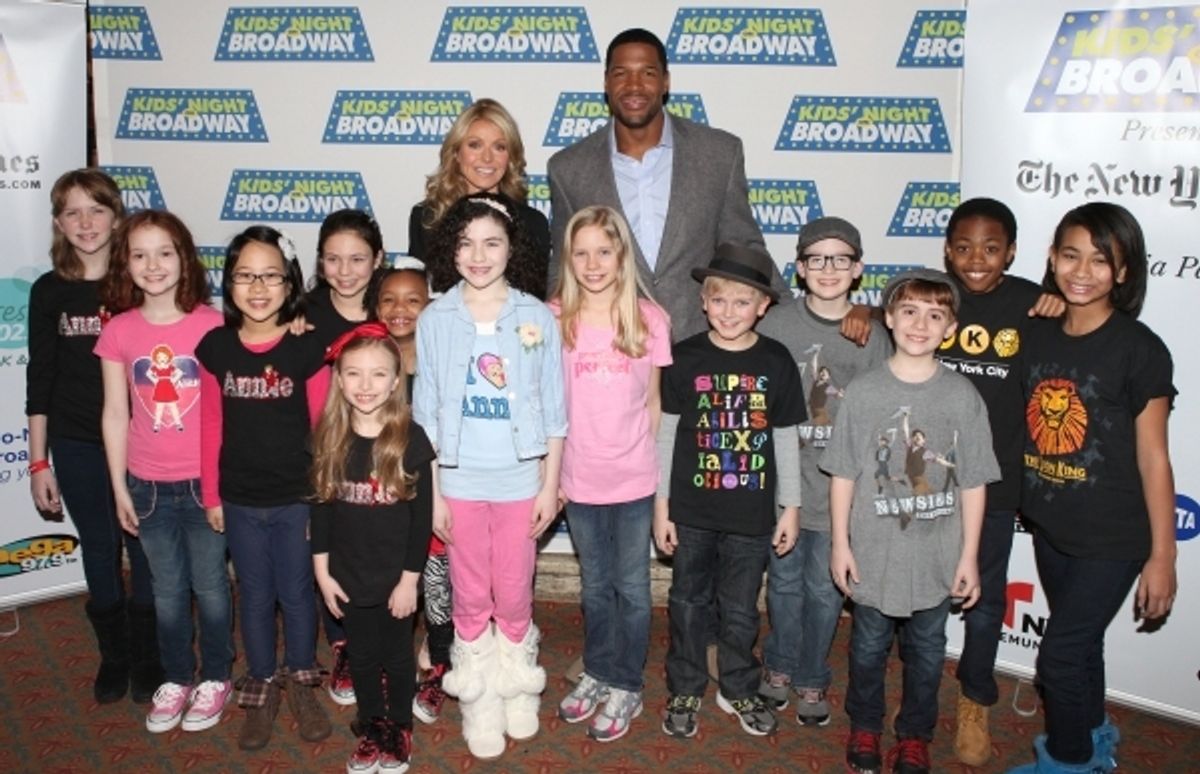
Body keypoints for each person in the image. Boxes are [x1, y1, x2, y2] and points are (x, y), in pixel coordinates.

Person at [1009, 203, 1176, 774]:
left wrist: (1162, 556)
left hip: (1114, 535)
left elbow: (1154, 458)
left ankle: (1069, 761)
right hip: (1053, 529)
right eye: (1071, 254)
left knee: (1056, 658)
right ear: (1052, 259)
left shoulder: (1140, 348)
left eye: (1102, 260)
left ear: (1124, 271)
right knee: (1082, 649)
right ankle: (1096, 738)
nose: (1083, 271)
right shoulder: (1035, 331)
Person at [822, 269, 1000, 774]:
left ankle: (915, 733)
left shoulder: (963, 396)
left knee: (926, 652)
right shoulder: (863, 391)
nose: (920, 324)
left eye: (934, 315)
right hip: (874, 554)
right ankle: (865, 724)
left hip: (937, 556)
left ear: (950, 327)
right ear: (888, 319)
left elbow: (973, 481)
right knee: (868, 647)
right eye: (909, 311)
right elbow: (843, 474)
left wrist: (968, 556)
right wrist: (840, 543)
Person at [412, 192, 566, 760]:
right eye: (465, 243)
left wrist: (550, 485)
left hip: (521, 480)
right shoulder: (436, 318)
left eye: (492, 243)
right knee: (471, 595)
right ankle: (478, 700)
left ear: (511, 248)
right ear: (449, 250)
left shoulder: (533, 315)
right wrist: (433, 497)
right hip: (458, 481)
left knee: (516, 591)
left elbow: (554, 407)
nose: (478, 255)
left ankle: (517, 687)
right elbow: (424, 415)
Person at [654, 243, 805, 739]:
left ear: (763, 306)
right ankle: (685, 685)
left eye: (743, 303)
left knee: (741, 609)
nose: (729, 312)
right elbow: (667, 434)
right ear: (704, 301)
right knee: (688, 602)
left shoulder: (777, 360)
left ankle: (738, 685)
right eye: (720, 300)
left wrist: (791, 507)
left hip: (751, 516)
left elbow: (784, 437)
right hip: (692, 512)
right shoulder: (685, 357)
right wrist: (662, 505)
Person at [933, 197, 1064, 766]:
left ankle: (974, 698)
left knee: (983, 599)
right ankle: (917, 691)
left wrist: (1060, 303)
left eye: (990, 248)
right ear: (947, 250)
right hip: (922, 478)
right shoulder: (927, 297)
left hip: (993, 482)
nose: (976, 259)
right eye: (963, 247)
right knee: (919, 594)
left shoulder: (1036, 307)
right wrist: (860, 315)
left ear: (1012, 251)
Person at [548, 28, 785, 342]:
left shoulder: (719, 154)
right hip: (612, 353)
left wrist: (804, 319)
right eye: (621, 73)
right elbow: (563, 267)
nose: (634, 85)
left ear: (665, 81)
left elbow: (744, 246)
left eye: (647, 73)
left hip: (702, 346)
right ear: (606, 82)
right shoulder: (569, 168)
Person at [25, 169, 161, 705]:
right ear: (58, 222)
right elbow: (40, 378)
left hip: (141, 440)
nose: (86, 223)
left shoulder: (137, 284)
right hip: (77, 441)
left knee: (146, 547)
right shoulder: (48, 290)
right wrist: (39, 463)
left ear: (116, 214)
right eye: (72, 212)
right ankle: (116, 654)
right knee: (100, 547)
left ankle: (149, 654)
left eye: (96, 209)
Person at [95, 209, 233, 734]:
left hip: (205, 485)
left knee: (212, 585)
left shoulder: (214, 324)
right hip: (146, 485)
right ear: (124, 263)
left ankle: (216, 674)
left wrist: (223, 484)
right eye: (139, 254)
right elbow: (115, 412)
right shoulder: (119, 332)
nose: (153, 265)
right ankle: (177, 676)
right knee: (166, 590)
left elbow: (228, 411)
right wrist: (119, 486)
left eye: (165, 252)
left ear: (185, 258)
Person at [195, 226, 332, 751]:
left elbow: (322, 426)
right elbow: (211, 424)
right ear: (228, 283)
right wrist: (211, 495)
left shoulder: (306, 346)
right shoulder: (216, 347)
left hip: (297, 499)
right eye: (245, 275)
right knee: (253, 596)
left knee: (297, 595)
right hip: (239, 499)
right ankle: (261, 685)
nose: (258, 287)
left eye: (271, 275)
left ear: (289, 282)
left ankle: (300, 681)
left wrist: (322, 499)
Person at [754, 217, 891, 727]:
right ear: (799, 267)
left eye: (839, 259)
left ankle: (813, 675)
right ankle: (781, 664)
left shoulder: (873, 335)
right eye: (816, 259)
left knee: (824, 588)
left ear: (857, 269)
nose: (827, 269)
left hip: (841, 494)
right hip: (784, 489)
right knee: (784, 584)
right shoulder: (776, 326)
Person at [551, 206, 672, 742]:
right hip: (578, 478)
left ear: (622, 255)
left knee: (633, 588)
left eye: (604, 250)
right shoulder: (553, 319)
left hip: (634, 481)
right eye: (581, 252)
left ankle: (627, 683)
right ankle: (599, 671)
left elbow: (653, 405)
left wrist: (659, 484)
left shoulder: (649, 319)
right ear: (568, 259)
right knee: (595, 587)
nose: (593, 263)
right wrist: (548, 479)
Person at [311, 322, 435, 774]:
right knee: (361, 657)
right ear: (339, 379)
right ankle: (373, 726)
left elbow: (421, 522)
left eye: (378, 374)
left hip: (396, 578)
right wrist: (322, 574)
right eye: (354, 374)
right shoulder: (328, 438)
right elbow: (320, 511)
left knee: (398, 657)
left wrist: (409, 581)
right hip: (348, 577)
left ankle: (399, 727)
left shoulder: (411, 439)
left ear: (396, 379)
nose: (366, 386)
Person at [304, 208, 388, 708]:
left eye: (358, 258)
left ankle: (376, 641)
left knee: (370, 551)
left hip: (378, 456)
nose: (346, 270)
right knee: (326, 548)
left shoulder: (391, 309)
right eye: (333, 259)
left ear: (377, 259)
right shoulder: (302, 313)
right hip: (319, 452)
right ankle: (341, 645)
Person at [374, 265, 453, 725]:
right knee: (389, 592)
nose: (399, 310)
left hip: (435, 498)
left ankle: (440, 666)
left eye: (413, 300)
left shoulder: (443, 364)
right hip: (380, 506)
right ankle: (390, 664)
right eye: (388, 299)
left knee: (438, 590)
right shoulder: (364, 362)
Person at [409, 98, 550, 294]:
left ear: (511, 157)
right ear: (456, 153)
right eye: (475, 145)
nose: (487, 158)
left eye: (499, 147)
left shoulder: (533, 223)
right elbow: (415, 294)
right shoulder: (427, 219)